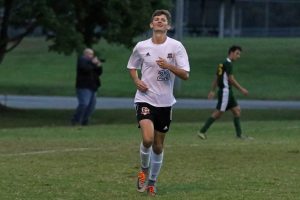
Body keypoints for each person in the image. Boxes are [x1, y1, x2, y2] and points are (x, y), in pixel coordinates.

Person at [127, 9, 190, 196]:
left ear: (169, 26)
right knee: (147, 138)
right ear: (151, 25)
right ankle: (143, 170)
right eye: (156, 19)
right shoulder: (141, 46)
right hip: (145, 98)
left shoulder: (176, 46)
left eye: (163, 20)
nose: (160, 22)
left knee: (158, 145)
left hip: (165, 102)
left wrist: (169, 66)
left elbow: (185, 75)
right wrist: (136, 80)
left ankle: (152, 182)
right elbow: (132, 66)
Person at [197, 45, 250, 140]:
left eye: (239, 54)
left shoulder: (222, 63)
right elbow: (231, 79)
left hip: (228, 92)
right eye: (237, 54)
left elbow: (216, 78)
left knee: (237, 110)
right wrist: (241, 89)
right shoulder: (228, 64)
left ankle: (239, 135)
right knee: (219, 113)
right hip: (225, 91)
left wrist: (213, 90)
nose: (238, 56)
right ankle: (202, 131)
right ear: (231, 53)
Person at [71, 48, 103, 126]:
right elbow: (85, 69)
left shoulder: (91, 63)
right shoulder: (82, 60)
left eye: (92, 54)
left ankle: (84, 121)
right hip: (83, 86)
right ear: (85, 54)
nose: (91, 56)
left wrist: (98, 65)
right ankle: (75, 120)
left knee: (91, 106)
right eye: (89, 54)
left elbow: (99, 72)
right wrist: (93, 63)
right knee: (84, 104)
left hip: (93, 87)